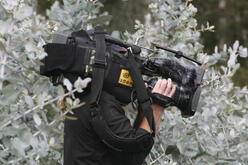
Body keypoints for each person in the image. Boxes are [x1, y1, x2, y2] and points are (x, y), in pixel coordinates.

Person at [64, 78, 176, 165]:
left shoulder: (86, 96)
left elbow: (126, 149)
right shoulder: (100, 103)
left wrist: (145, 109)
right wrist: (156, 107)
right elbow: (135, 155)